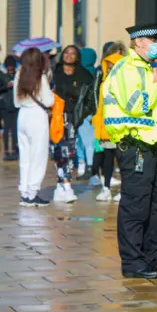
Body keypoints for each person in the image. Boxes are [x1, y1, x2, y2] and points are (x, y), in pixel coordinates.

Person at [103, 23, 157, 279]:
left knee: (152, 206)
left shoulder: (146, 68)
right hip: (134, 146)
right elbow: (136, 105)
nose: (156, 44)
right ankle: (132, 262)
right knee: (135, 206)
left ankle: (149, 257)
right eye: (152, 39)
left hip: (149, 146)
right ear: (138, 42)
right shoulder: (127, 68)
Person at [52, 45, 93, 202]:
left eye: (73, 53)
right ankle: (63, 185)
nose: (69, 56)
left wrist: (82, 114)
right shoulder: (55, 72)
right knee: (59, 151)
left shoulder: (84, 75)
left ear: (78, 57)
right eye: (66, 53)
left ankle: (63, 185)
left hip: (73, 118)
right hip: (56, 118)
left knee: (69, 152)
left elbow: (90, 98)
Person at [14, 48, 54, 207]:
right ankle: (32, 192)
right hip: (37, 116)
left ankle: (24, 191)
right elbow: (49, 101)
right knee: (38, 155)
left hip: (22, 115)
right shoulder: (41, 76)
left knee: (25, 155)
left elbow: (15, 102)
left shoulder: (18, 75)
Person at [93, 52, 125, 202]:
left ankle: (124, 189)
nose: (111, 69)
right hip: (106, 127)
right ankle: (105, 188)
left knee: (122, 158)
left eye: (115, 67)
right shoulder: (104, 84)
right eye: (109, 67)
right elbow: (100, 107)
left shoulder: (124, 84)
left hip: (120, 127)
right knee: (107, 158)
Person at [76, 48, 99, 180]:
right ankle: (90, 166)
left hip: (82, 113)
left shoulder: (80, 72)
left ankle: (89, 167)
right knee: (90, 141)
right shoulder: (95, 72)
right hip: (92, 113)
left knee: (85, 142)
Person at [0, 56, 19, 161]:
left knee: (14, 128)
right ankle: (5, 150)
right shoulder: (1, 75)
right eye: (9, 66)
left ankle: (14, 149)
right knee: (6, 128)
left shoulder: (17, 75)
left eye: (12, 67)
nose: (11, 69)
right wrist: (7, 86)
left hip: (15, 104)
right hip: (4, 104)